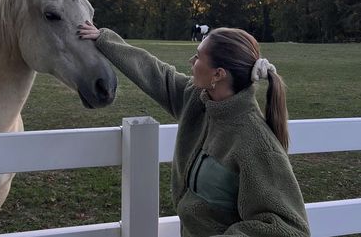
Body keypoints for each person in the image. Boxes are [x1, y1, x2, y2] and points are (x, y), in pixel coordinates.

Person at [78, 21, 310, 237]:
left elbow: (289, 228)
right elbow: (156, 73)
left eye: (198, 57)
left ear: (218, 74)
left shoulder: (256, 143)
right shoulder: (197, 100)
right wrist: (104, 39)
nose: (191, 61)